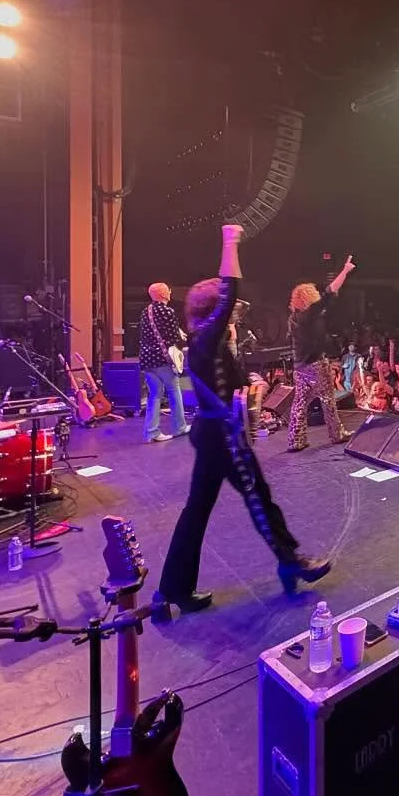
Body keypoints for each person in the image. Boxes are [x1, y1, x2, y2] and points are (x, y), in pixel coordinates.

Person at [155, 224, 330, 616]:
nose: (233, 314)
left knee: (202, 508)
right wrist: (230, 241)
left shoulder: (208, 343)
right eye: (227, 310)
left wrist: (251, 383)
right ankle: (289, 560)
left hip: (213, 433)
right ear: (214, 311)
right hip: (222, 437)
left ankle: (172, 590)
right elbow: (230, 288)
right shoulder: (207, 338)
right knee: (257, 499)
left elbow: (229, 378)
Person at [284, 255, 356, 451]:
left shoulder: (294, 318)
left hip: (300, 365)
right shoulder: (309, 314)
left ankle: (295, 440)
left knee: (300, 402)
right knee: (328, 399)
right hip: (315, 363)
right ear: (309, 296)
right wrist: (345, 271)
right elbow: (329, 293)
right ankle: (337, 433)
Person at [138, 282, 187, 444]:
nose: (170, 292)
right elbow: (173, 338)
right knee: (174, 390)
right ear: (164, 294)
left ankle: (151, 432)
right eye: (168, 290)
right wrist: (182, 339)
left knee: (154, 395)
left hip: (147, 358)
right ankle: (179, 427)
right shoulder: (167, 311)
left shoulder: (146, 311)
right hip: (162, 358)